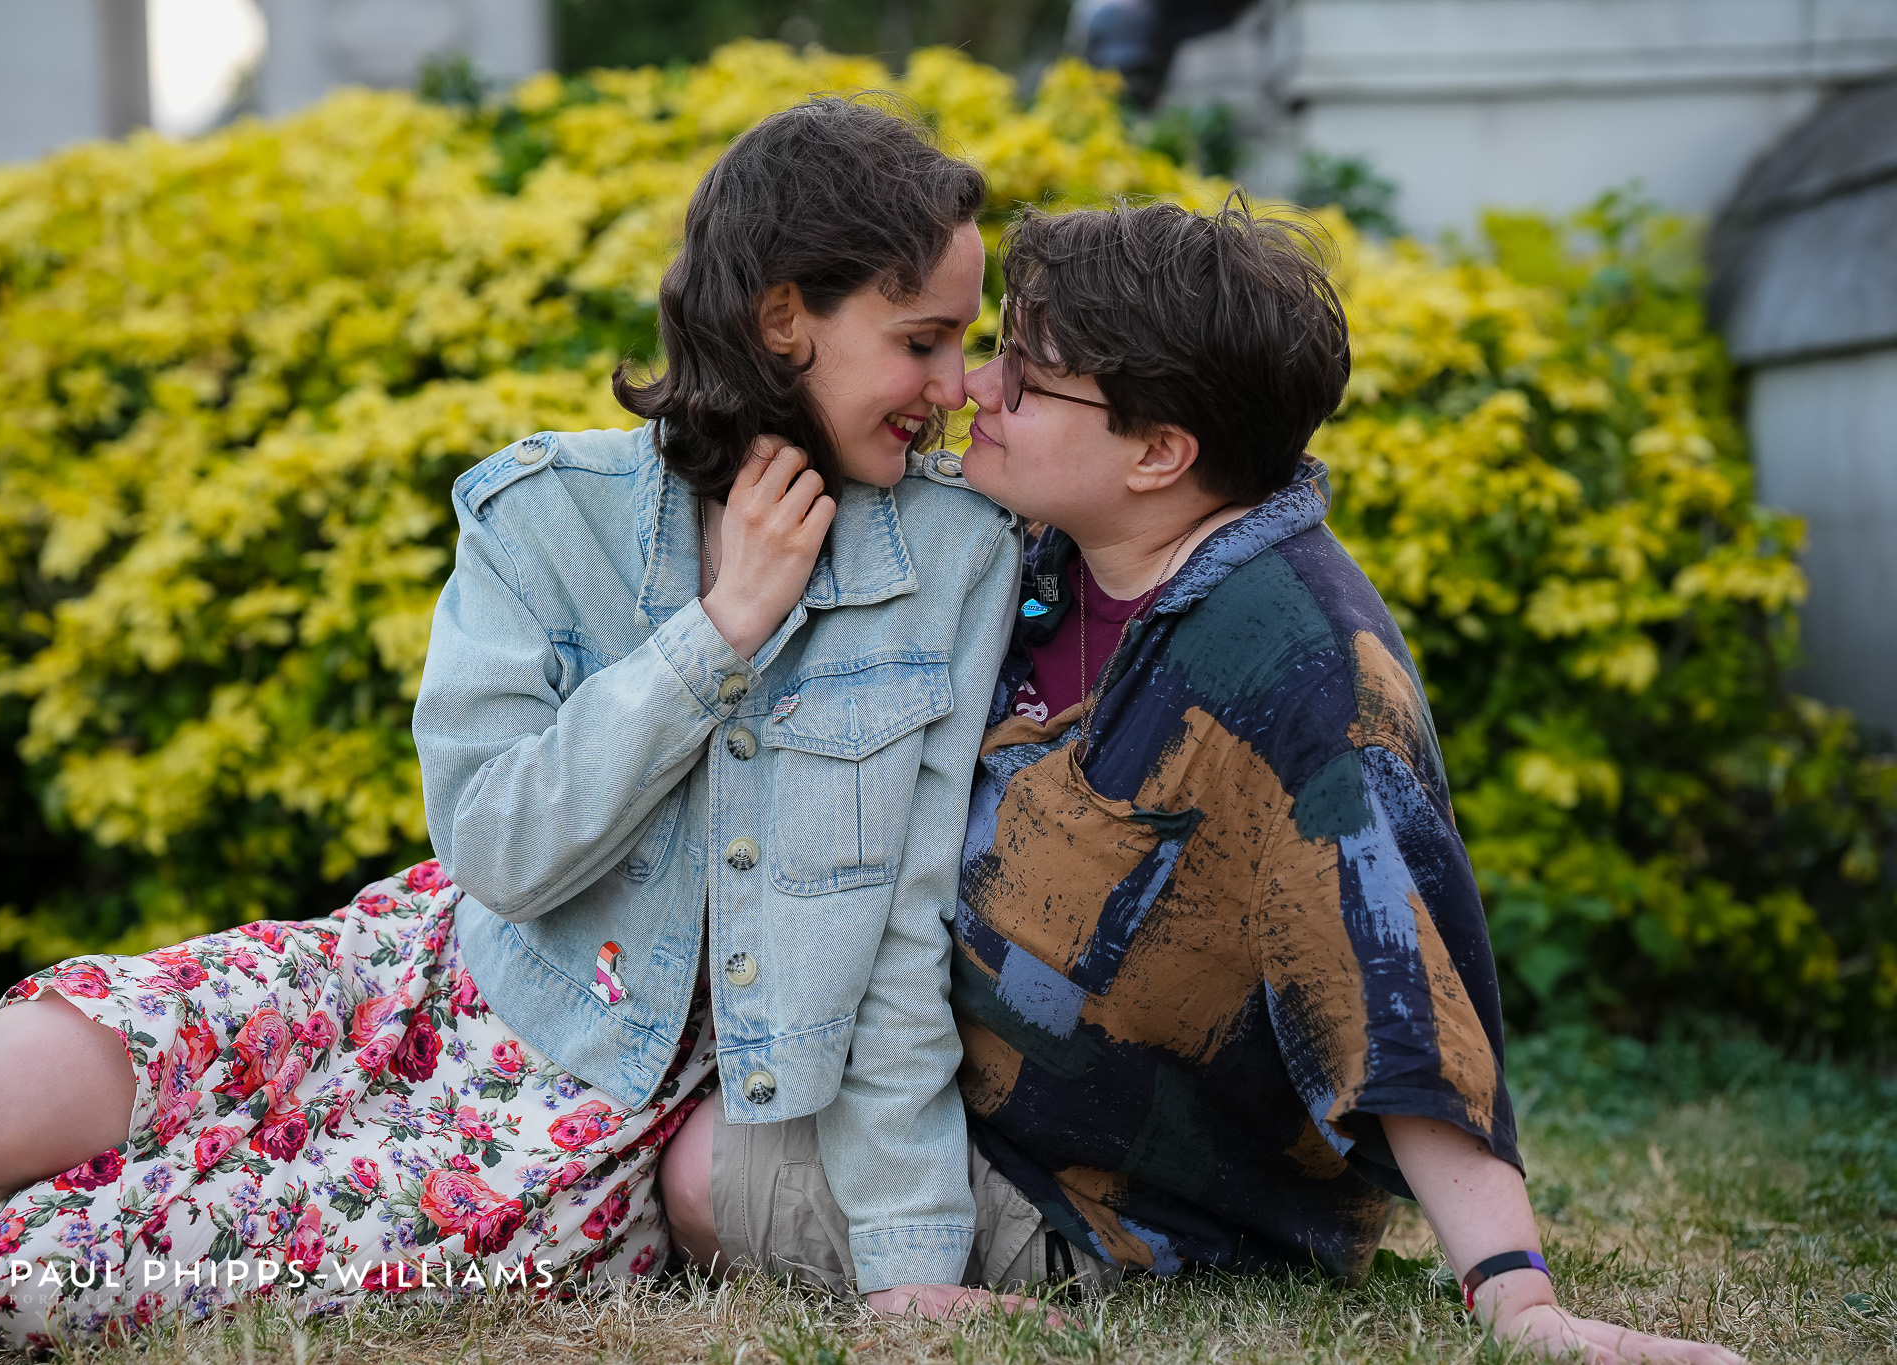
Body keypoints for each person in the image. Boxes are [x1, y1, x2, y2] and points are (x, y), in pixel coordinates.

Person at [0, 96, 1025, 1343]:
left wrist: (908, 1257)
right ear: (782, 319)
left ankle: (156, 1196)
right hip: (446, 965)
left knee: (25, 1289)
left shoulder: (955, 557)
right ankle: (193, 1145)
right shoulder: (540, 512)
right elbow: (497, 850)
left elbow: (901, 938)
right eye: (922, 341)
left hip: (598, 1102)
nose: (956, 387)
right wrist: (716, 636)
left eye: (962, 340)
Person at [661, 199, 1748, 1364]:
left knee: (698, 1168)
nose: (973, 388)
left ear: (1158, 454)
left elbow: (1395, 980)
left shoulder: (1301, 677)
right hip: (917, 1101)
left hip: (1108, 1213)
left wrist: (1514, 1297)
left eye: (1025, 379)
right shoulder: (1039, 557)